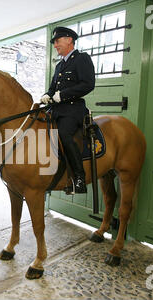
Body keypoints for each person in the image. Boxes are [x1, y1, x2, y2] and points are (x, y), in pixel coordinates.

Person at [41, 26, 95, 194]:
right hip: (56, 110)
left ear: (69, 40)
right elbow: (52, 89)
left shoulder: (82, 59)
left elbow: (88, 84)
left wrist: (63, 95)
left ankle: (79, 177)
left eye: (57, 41)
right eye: (54, 43)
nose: (55, 45)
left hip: (73, 110)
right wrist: (47, 95)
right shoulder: (59, 66)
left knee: (64, 134)